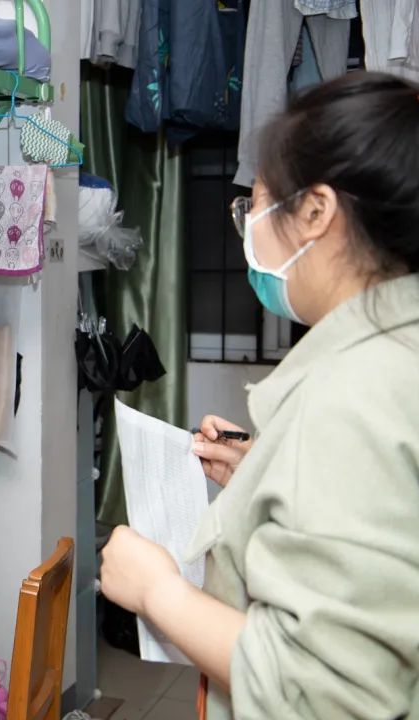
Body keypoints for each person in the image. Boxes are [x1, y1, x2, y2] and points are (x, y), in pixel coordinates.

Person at [100, 70, 419, 719]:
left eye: (257, 205)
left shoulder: (352, 395)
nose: (248, 228)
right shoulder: (394, 353)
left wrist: (159, 592)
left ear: (316, 212)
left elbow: (325, 691)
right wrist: (264, 473)